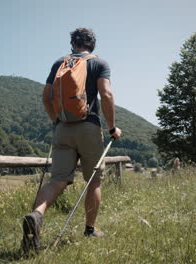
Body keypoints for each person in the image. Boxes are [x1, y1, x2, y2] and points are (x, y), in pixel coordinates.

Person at [22, 28, 122, 253]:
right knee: (93, 180)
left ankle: (36, 215)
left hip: (63, 129)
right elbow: (105, 95)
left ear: (73, 43)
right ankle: (90, 229)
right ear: (92, 44)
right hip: (89, 127)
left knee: (57, 179)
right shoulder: (99, 64)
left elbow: (46, 97)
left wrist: (56, 121)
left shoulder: (59, 63)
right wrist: (112, 127)